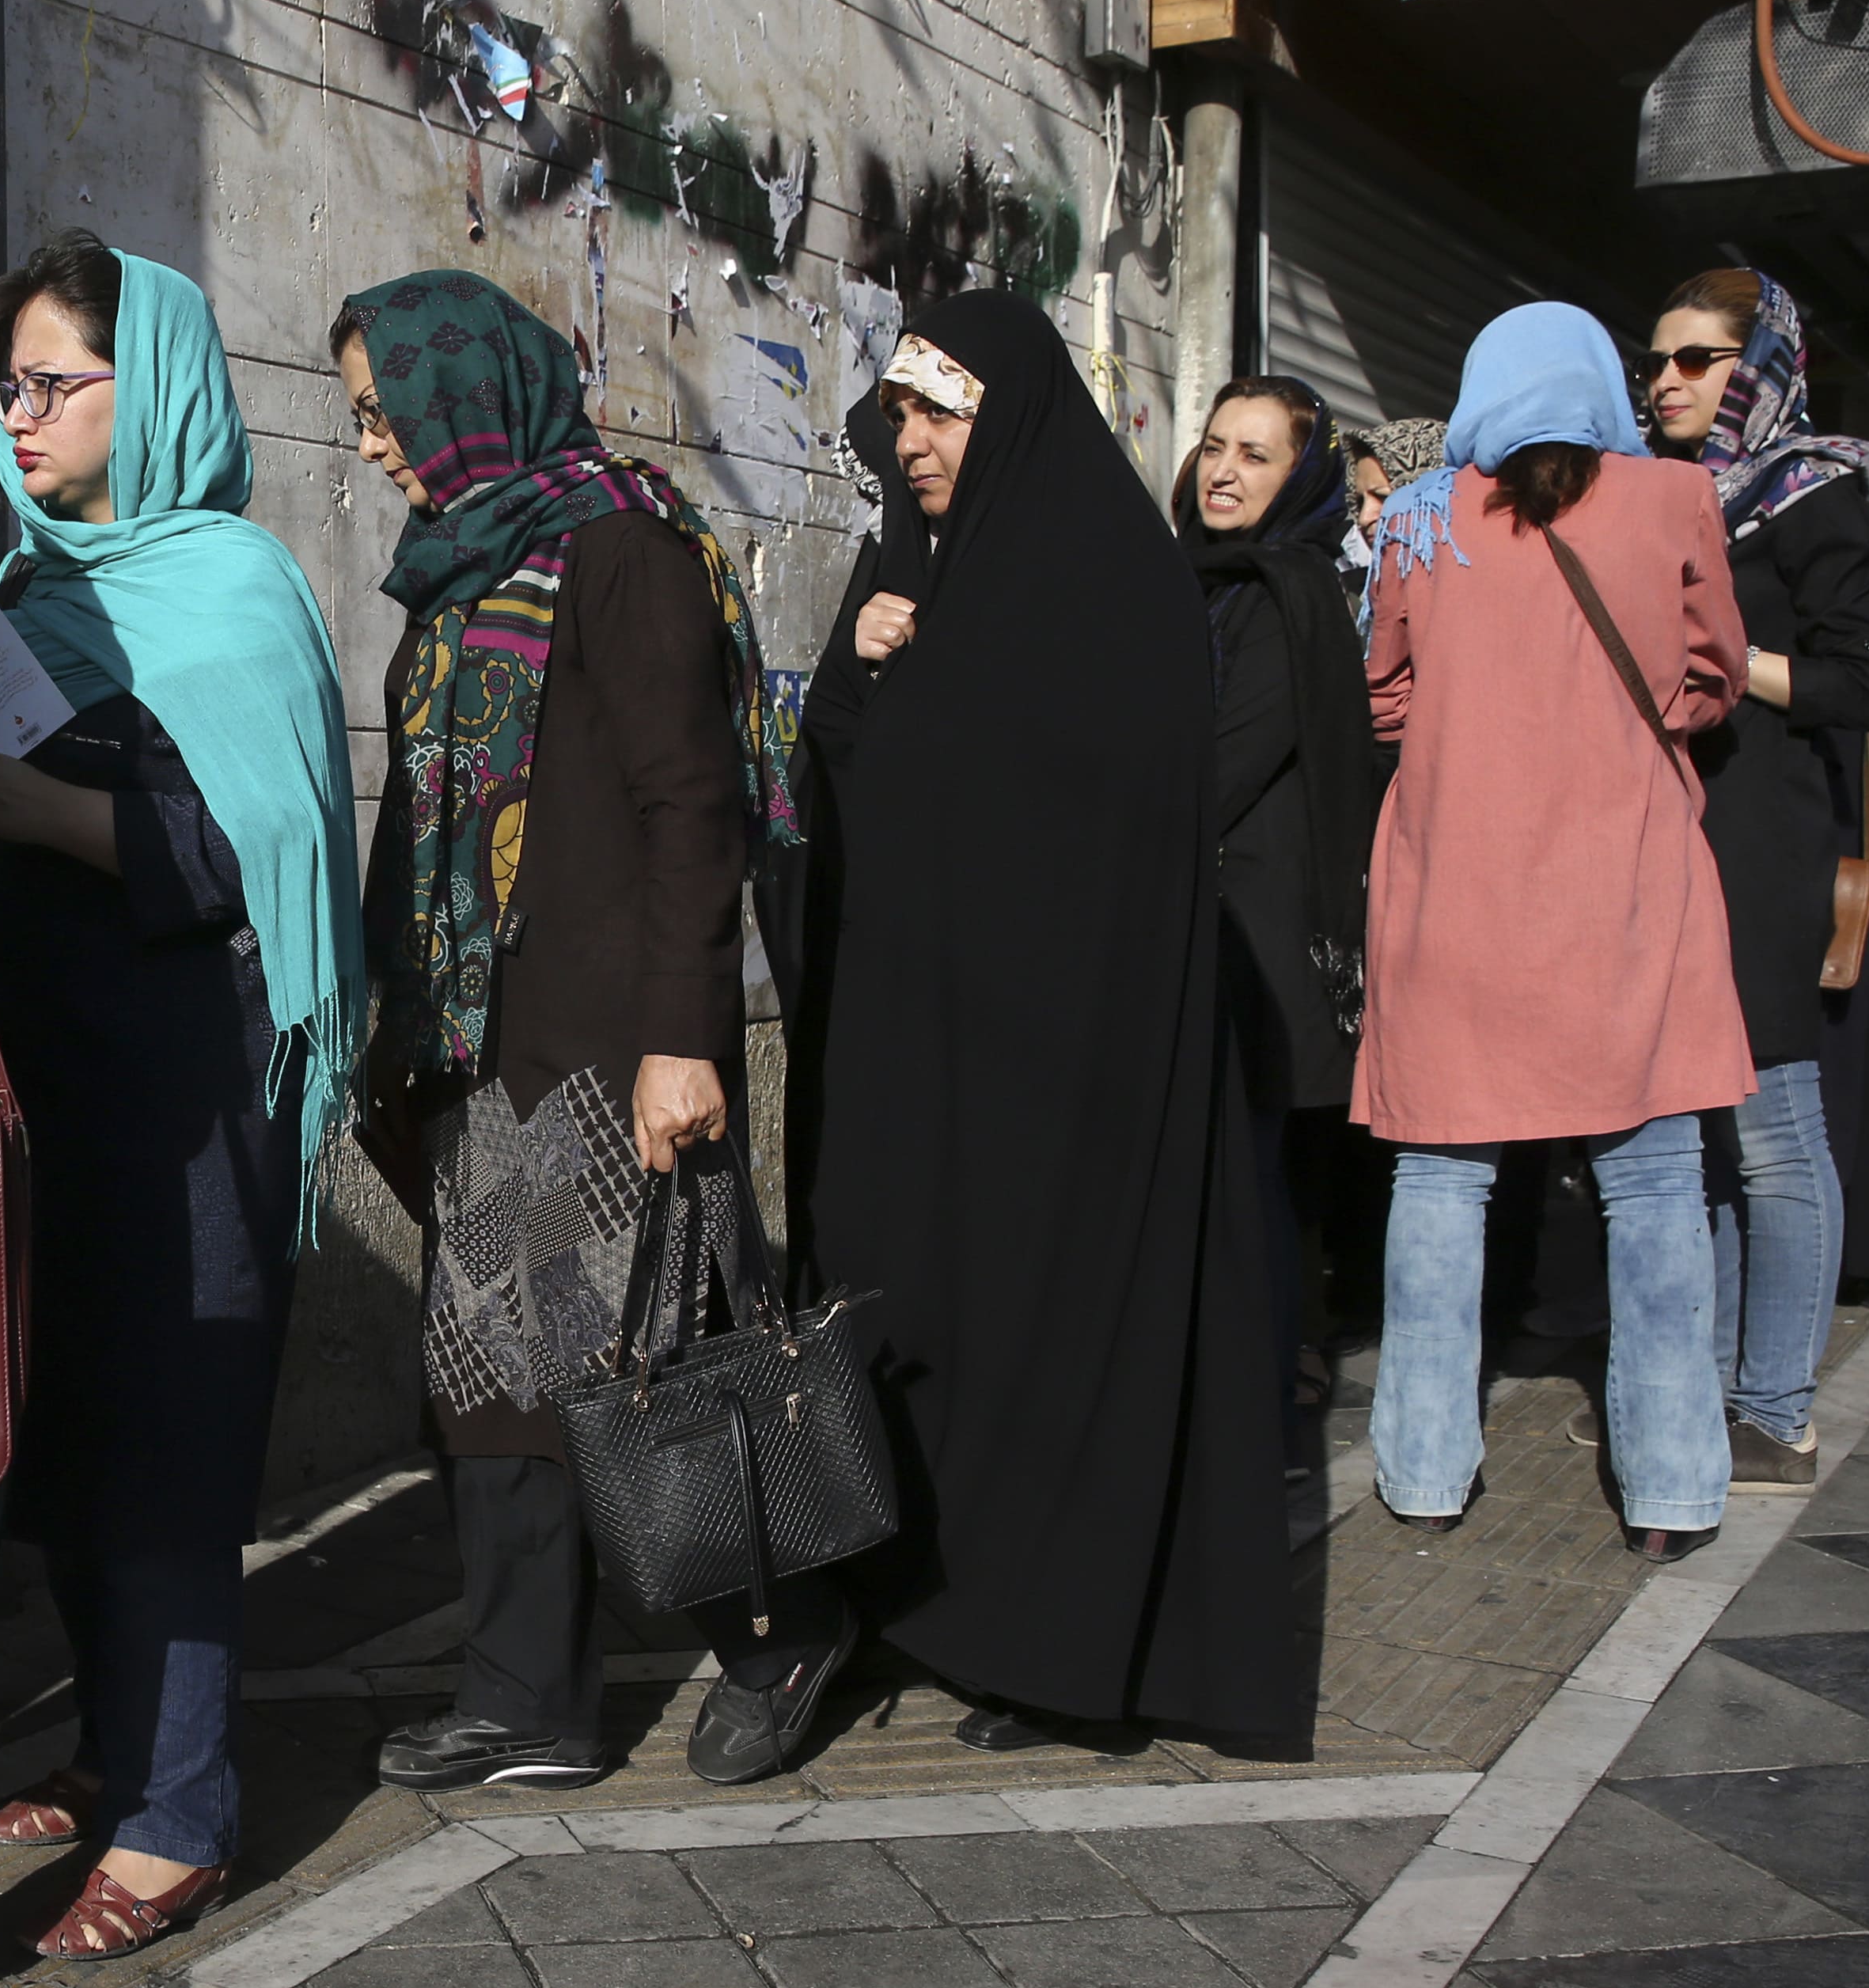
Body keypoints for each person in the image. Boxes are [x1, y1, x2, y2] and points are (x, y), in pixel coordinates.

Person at [332, 268, 846, 1791]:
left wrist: (688, 1036)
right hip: (489, 1038)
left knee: (650, 1358)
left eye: (382, 411)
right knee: (497, 1371)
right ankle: (528, 1697)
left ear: (459, 392)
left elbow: (694, 810)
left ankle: (784, 1625)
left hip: (607, 1042)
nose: (371, 447)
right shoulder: (464, 569)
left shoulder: (623, 553)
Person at [798, 293, 1299, 1754]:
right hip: (933, 1047)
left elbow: (1110, 823)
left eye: (938, 412)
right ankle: (936, 1606)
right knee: (932, 1320)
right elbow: (850, 778)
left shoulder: (1114, 584)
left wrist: (910, 690)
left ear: (1008, 411)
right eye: (900, 414)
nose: (914, 441)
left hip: (1071, 1062)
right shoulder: (913, 572)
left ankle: (1067, 1650)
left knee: (1061, 1327)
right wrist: (864, 671)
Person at [0, 232, 360, 1953]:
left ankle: (184, 1810)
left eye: (52, 383)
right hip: (47, 1080)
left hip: (189, 1089)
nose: (16, 419)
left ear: (158, 387)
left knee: (173, 1446)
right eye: (6, 389)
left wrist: (11, 802)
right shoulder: (24, 592)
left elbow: (227, 852)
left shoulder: (231, 592)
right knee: (66, 1430)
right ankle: (117, 1741)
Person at [1362, 303, 1751, 1561]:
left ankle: (1423, 1473)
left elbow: (1384, 695)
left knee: (1440, 1178)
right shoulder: (1674, 498)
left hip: (1455, 893)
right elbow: (1712, 672)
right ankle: (1676, 1488)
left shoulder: (1423, 515)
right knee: (1651, 1188)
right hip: (1625, 891)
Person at [1641, 269, 1869, 1494]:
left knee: (1778, 1132)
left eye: (1697, 360)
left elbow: (1860, 680)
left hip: (1767, 843)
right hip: (1672, 841)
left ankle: (1778, 1407)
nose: (1667, 381)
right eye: (1659, 361)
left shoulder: (1813, 489)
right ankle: (1719, 1389)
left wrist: (1731, 661)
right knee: (1709, 1139)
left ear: (1765, 365)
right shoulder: (1651, 495)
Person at [1177, 376, 1384, 1463]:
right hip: (1224, 930)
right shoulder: (1208, 582)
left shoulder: (1276, 593)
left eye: (1256, 455)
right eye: (1215, 445)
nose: (1223, 469)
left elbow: (1213, 768)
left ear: (1300, 474)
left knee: (1247, 1185)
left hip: (1253, 944)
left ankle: (1252, 1424)